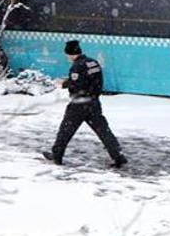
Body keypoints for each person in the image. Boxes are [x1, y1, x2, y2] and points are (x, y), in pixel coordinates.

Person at [42, 40, 128, 168]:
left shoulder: (77, 66)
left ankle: (57, 155)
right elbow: (95, 81)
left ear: (71, 54)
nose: (68, 58)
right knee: (103, 131)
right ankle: (118, 155)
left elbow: (78, 85)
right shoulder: (93, 62)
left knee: (65, 130)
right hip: (93, 103)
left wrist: (64, 83)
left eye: (67, 55)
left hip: (79, 104)